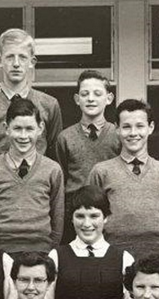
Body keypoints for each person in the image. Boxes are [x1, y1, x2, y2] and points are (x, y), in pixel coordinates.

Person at [87, 99, 159, 260]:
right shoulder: (101, 172)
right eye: (126, 127)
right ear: (117, 129)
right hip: (112, 257)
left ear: (150, 127)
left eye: (140, 126)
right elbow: (90, 219)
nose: (133, 133)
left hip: (158, 258)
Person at [0, 27, 63, 185]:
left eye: (22, 57)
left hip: (36, 191)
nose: (16, 64)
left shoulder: (49, 105)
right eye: (10, 57)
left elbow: (55, 157)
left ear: (32, 62)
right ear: (0, 61)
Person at [0, 96, 66, 253]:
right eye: (17, 128)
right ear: (6, 128)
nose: (23, 136)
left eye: (29, 129)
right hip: (0, 250)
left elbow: (57, 217)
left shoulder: (52, 169)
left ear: (40, 128)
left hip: (40, 252)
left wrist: (49, 250)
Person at [52, 69, 120, 244]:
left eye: (97, 94)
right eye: (85, 94)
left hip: (108, 213)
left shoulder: (118, 135)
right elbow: (61, 179)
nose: (90, 99)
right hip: (75, 214)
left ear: (109, 98)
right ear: (77, 99)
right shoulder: (65, 137)